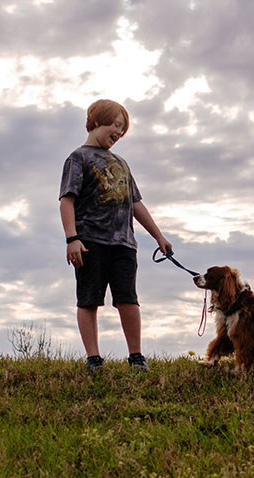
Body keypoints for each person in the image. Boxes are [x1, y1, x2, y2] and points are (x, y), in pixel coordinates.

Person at [59, 99, 172, 372]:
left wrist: (159, 236)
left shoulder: (121, 163)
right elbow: (66, 201)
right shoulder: (79, 158)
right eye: (116, 125)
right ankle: (93, 359)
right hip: (89, 243)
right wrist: (72, 238)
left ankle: (136, 356)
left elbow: (135, 203)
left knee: (128, 298)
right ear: (98, 121)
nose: (119, 133)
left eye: (123, 130)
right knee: (89, 299)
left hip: (124, 244)